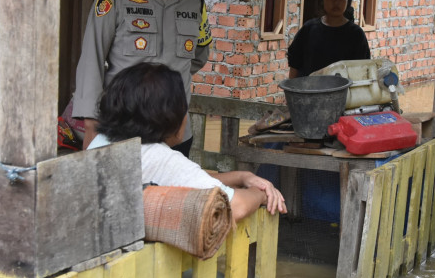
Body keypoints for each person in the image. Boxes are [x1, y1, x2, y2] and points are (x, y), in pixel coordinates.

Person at [73, 0, 213, 156]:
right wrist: (91, 123)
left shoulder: (194, 1)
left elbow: (198, 57)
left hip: (174, 135)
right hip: (125, 132)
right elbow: (91, 60)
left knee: (173, 194)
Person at [88, 62, 286, 222]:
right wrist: (262, 194)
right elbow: (237, 206)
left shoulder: (103, 141)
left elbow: (187, 178)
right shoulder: (159, 157)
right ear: (168, 115)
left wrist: (242, 176)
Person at [287, 0, 371, 78]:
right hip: (310, 91)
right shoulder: (309, 29)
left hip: (344, 93)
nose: (336, 2)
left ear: (348, 0)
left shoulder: (356, 34)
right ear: (322, 0)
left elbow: (363, 71)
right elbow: (294, 66)